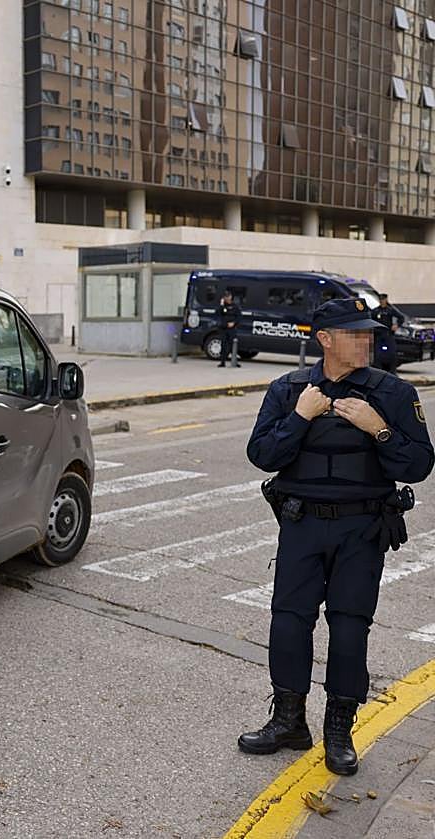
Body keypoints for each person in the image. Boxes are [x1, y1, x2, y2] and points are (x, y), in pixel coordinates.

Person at [240, 297, 433, 775]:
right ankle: (288, 722)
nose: (366, 340)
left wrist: (379, 429)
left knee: (349, 627)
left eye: (367, 333)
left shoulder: (392, 392)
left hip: (362, 528)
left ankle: (338, 731)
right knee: (288, 622)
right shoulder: (288, 390)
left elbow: (419, 465)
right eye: (354, 333)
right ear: (325, 339)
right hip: (302, 524)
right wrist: (302, 416)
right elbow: (262, 454)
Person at [371, 293, 404, 374]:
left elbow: (401, 317)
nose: (382, 301)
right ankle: (379, 372)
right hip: (378, 335)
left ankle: (392, 372)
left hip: (388, 335)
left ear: (386, 300)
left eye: (383, 299)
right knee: (378, 356)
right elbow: (370, 320)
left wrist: (396, 325)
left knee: (391, 355)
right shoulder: (375, 311)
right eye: (380, 300)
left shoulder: (390, 310)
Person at [217, 289, 241, 368]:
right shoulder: (222, 306)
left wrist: (233, 323)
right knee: (223, 345)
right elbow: (218, 315)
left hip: (232, 328)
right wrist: (221, 305)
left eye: (228, 296)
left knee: (233, 345)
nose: (227, 298)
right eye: (225, 297)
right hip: (224, 328)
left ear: (231, 297)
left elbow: (239, 317)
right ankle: (222, 362)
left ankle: (234, 361)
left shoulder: (235, 306)